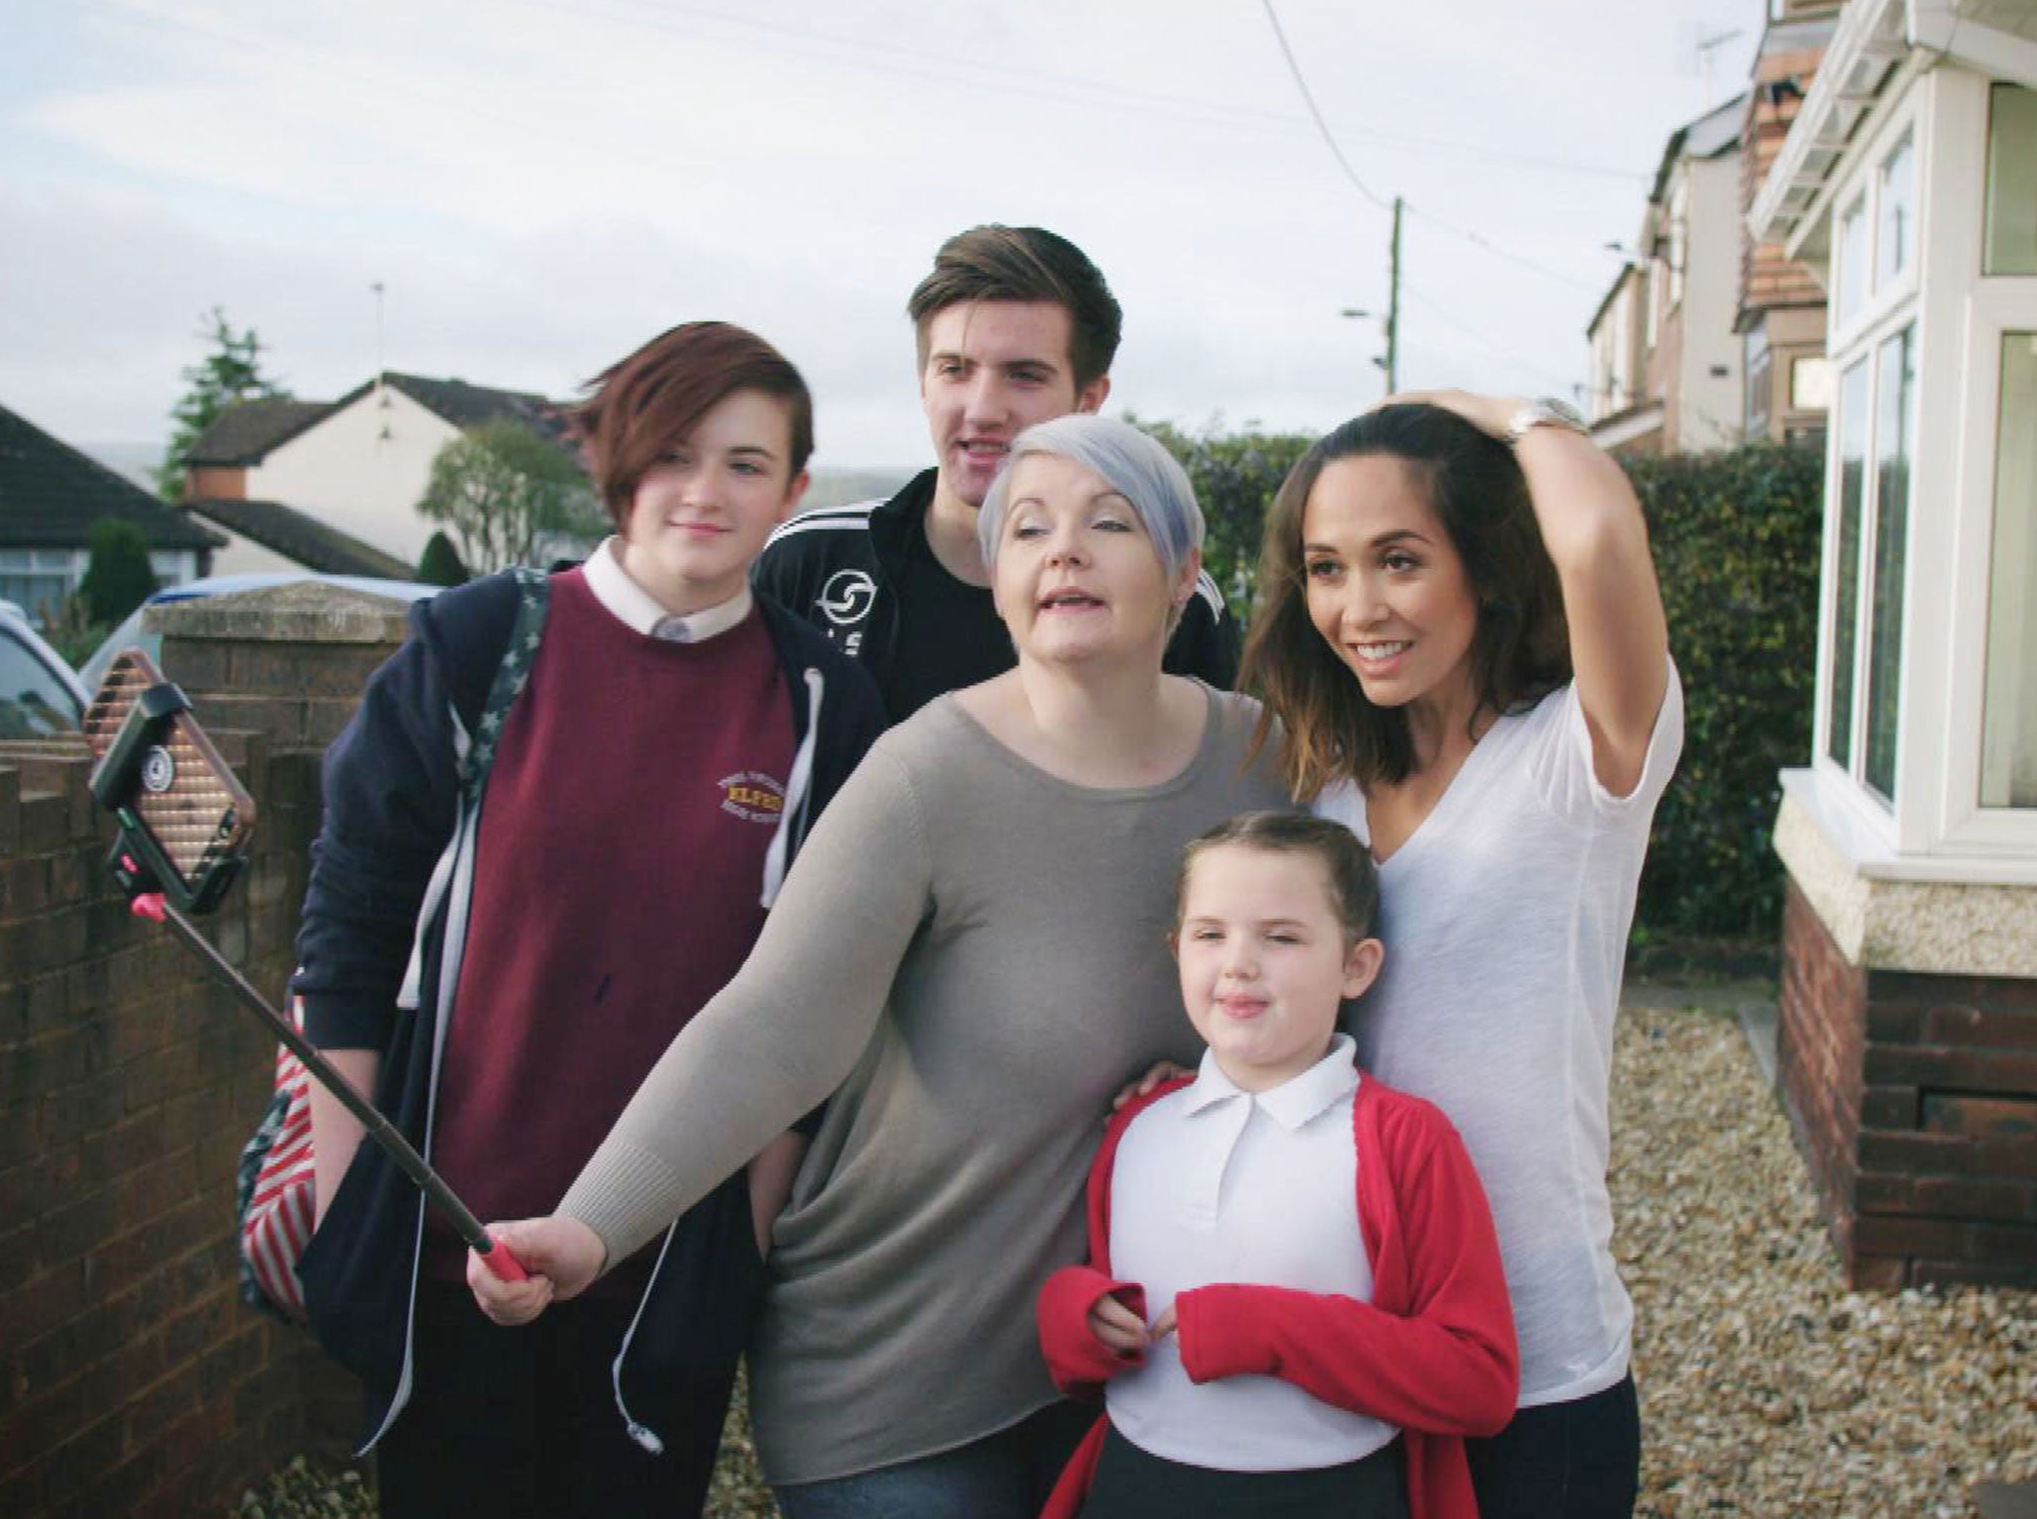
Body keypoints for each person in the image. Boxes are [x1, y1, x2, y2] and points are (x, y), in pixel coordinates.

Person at [469, 415, 1293, 1519]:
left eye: (1110, 522)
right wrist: (589, 1227)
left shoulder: (1267, 767)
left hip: (1143, 1366)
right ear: (997, 580)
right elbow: (771, 1026)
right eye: (1028, 529)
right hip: (896, 1370)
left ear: (1186, 573)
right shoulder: (926, 773)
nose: (1063, 550)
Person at [288, 322, 886, 1519]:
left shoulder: (825, 698)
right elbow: (348, 936)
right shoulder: (474, 646)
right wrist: (357, 1210)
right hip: (451, 1238)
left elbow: (822, 1003)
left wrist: (740, 1243)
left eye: (744, 463)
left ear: (795, 492)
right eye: (670, 454)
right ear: (616, 465)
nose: (703, 492)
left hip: (664, 1271)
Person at [1244, 392, 1682, 1519]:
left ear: (1484, 567)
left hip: (1534, 1354)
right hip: (1353, 1335)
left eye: (1398, 560)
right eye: (1326, 569)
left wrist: (1500, 413)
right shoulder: (1325, 790)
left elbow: (1590, 536)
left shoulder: (1578, 761)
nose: (1357, 608)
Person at [1036, 812, 1518, 1519]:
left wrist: (1269, 1332)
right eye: (1209, 934)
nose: (1237, 962)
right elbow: (1103, 1310)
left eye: (1282, 937)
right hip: (1134, 1488)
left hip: (1327, 1495)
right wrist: (1074, 1318)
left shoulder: (1404, 1139)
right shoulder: (1138, 1125)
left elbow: (1479, 1380)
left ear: (1357, 966)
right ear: (1177, 951)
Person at [753, 223, 1239, 719]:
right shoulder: (811, 562)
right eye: (955, 370)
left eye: (1024, 375)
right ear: (924, 385)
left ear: (1089, 400)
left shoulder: (1167, 597)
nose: (983, 409)